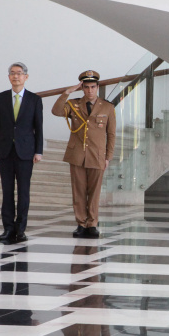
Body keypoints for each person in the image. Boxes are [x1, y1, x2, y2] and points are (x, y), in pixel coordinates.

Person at [52, 70, 116, 238]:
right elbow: (56, 111)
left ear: (98, 87)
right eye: (86, 87)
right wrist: (66, 93)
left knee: (94, 192)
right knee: (79, 191)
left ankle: (92, 223)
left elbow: (112, 134)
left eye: (93, 87)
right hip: (77, 155)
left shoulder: (108, 107)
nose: (89, 91)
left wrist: (108, 156)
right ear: (82, 89)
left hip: (97, 155)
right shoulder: (74, 104)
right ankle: (81, 223)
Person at [0, 62, 43, 244]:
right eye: (12, 73)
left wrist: (38, 151)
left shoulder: (34, 99)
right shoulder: (0, 98)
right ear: (9, 77)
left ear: (26, 77)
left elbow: (39, 128)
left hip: (26, 152)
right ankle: (8, 229)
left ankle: (21, 229)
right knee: (7, 192)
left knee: (24, 192)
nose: (15, 76)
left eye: (19, 73)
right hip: (4, 151)